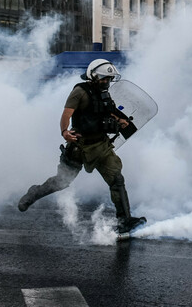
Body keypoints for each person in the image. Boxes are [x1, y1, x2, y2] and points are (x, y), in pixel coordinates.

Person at [17, 59, 145, 234]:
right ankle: (34, 193)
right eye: (102, 78)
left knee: (117, 180)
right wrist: (64, 131)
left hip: (101, 147)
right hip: (79, 147)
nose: (106, 82)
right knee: (61, 182)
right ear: (92, 75)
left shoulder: (105, 94)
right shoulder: (80, 92)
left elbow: (109, 111)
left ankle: (124, 221)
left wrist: (120, 120)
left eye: (108, 79)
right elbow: (66, 114)